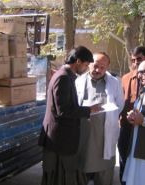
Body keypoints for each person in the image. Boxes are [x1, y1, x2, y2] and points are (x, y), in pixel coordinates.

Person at [38, 46, 102, 185]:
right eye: (86, 65)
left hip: (61, 138)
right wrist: (89, 110)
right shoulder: (63, 77)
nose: (86, 68)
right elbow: (64, 110)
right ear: (78, 61)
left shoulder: (66, 75)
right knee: (60, 176)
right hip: (59, 139)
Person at [75, 52, 124, 185]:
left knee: (104, 169)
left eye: (102, 67)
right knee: (82, 167)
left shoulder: (114, 82)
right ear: (89, 63)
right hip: (84, 133)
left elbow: (120, 104)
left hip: (104, 134)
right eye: (95, 66)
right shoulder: (78, 81)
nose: (98, 70)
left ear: (107, 67)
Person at [118, 46, 145, 184]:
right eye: (133, 60)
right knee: (123, 155)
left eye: (139, 59)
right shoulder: (125, 78)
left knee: (141, 159)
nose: (136, 62)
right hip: (126, 125)